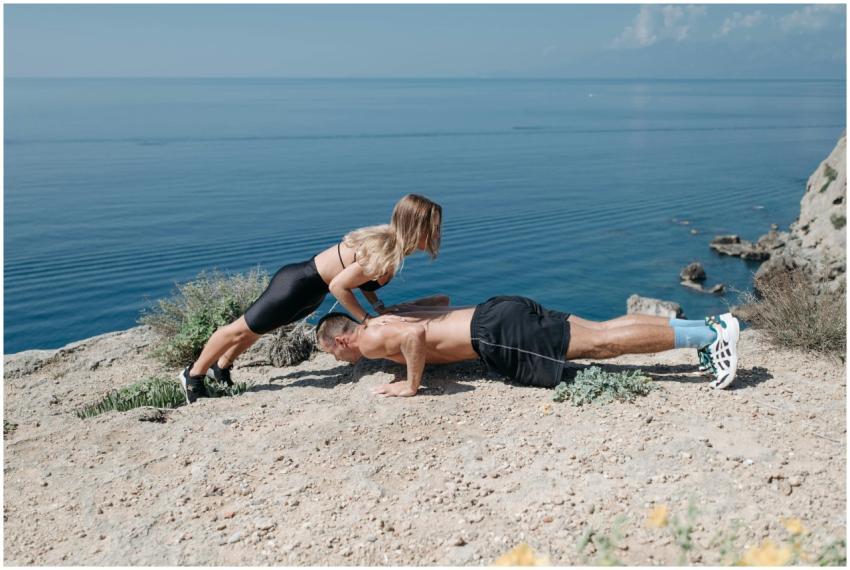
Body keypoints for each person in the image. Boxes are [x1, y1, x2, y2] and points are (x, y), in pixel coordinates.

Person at [179, 194, 442, 403]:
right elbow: (340, 285)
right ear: (416, 226)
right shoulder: (385, 250)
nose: (437, 232)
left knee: (258, 329)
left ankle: (221, 367)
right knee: (236, 330)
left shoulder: (389, 244)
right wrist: (367, 320)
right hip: (296, 286)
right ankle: (194, 376)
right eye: (433, 226)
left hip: (311, 292)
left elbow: (360, 279)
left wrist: (377, 306)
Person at [315, 295, 740, 396]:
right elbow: (441, 303)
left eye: (332, 352)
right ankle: (705, 326)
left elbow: (412, 338)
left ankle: (711, 336)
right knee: (602, 328)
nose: (339, 359)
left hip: (496, 334)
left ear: (341, 338)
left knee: (602, 345)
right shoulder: (386, 316)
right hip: (498, 309)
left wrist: (409, 384)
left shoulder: (369, 340)